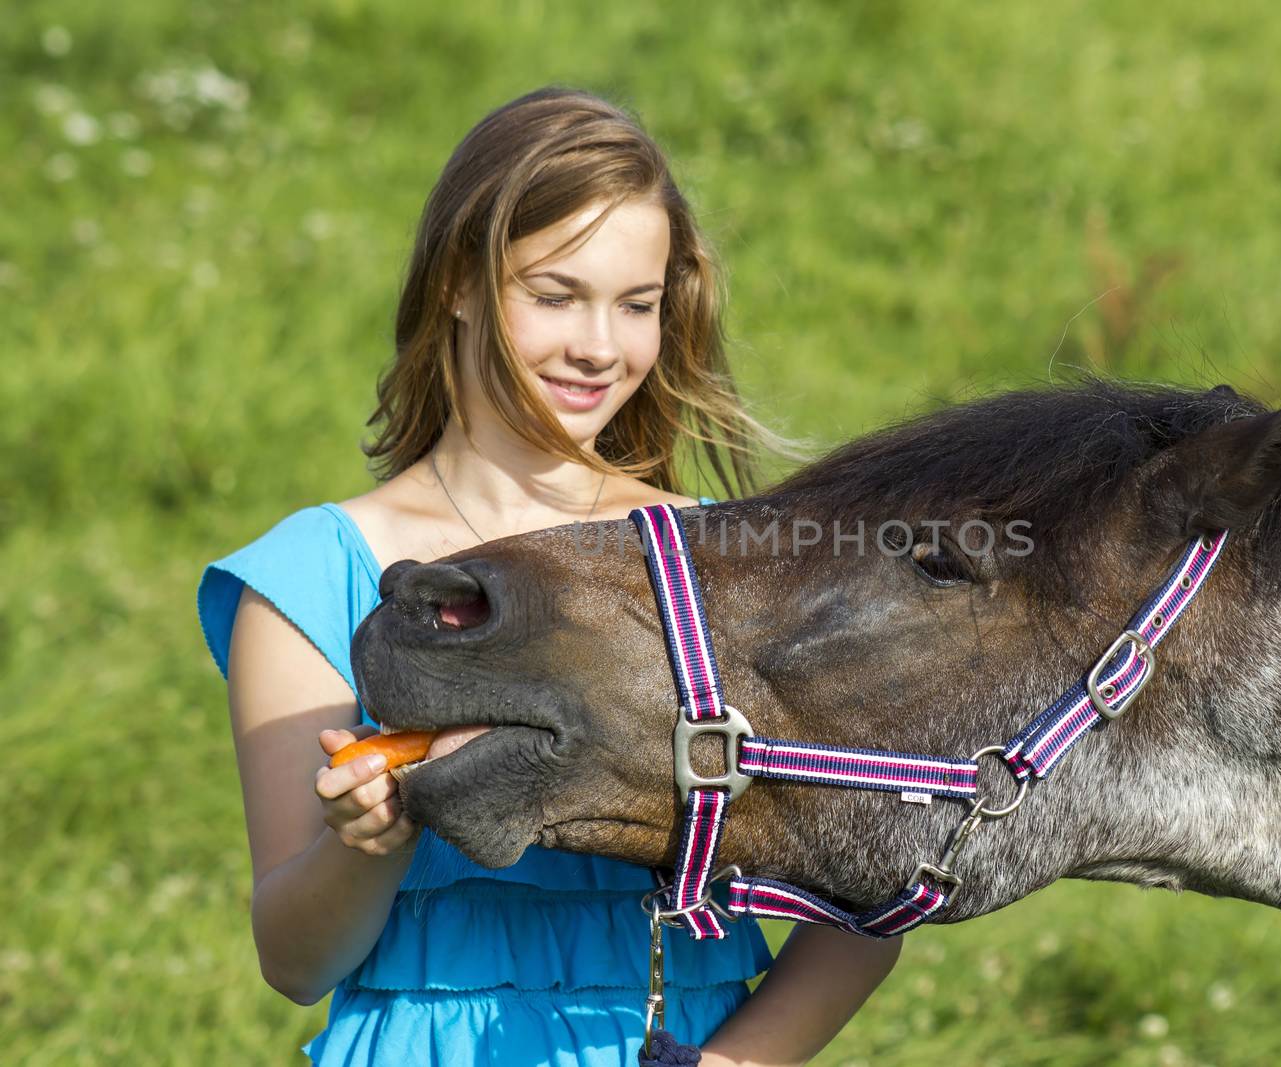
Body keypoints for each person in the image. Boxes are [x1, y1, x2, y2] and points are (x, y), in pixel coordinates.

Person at [197, 87, 901, 1066]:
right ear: (459, 282)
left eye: (637, 304)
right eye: (555, 294)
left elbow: (874, 878)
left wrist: (740, 1062)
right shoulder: (313, 576)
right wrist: (368, 842)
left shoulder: (720, 564)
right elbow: (294, 958)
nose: (599, 346)